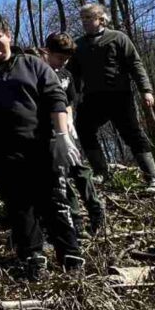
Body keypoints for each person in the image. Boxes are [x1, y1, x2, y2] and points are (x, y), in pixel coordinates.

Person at [0, 14, 84, 278]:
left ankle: (71, 256)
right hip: (1, 154)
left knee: (54, 201)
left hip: (41, 148)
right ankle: (32, 258)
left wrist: (63, 135)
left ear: (8, 35)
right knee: (20, 206)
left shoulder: (34, 65)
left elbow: (56, 100)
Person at [70, 3, 155, 192]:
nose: (85, 21)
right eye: (83, 18)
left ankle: (153, 178)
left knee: (132, 133)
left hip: (119, 95)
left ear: (101, 19)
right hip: (92, 97)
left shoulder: (118, 38)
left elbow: (135, 64)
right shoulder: (78, 45)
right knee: (83, 128)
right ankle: (102, 173)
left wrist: (146, 90)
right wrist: (73, 97)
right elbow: (73, 74)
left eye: (89, 17)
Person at [44, 32, 105, 235]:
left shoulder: (66, 75)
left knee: (79, 169)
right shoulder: (38, 71)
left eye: (66, 59)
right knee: (59, 175)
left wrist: (69, 121)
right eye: (59, 58)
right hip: (47, 133)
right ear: (47, 52)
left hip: (65, 131)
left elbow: (69, 102)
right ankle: (75, 217)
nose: (62, 62)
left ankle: (95, 210)